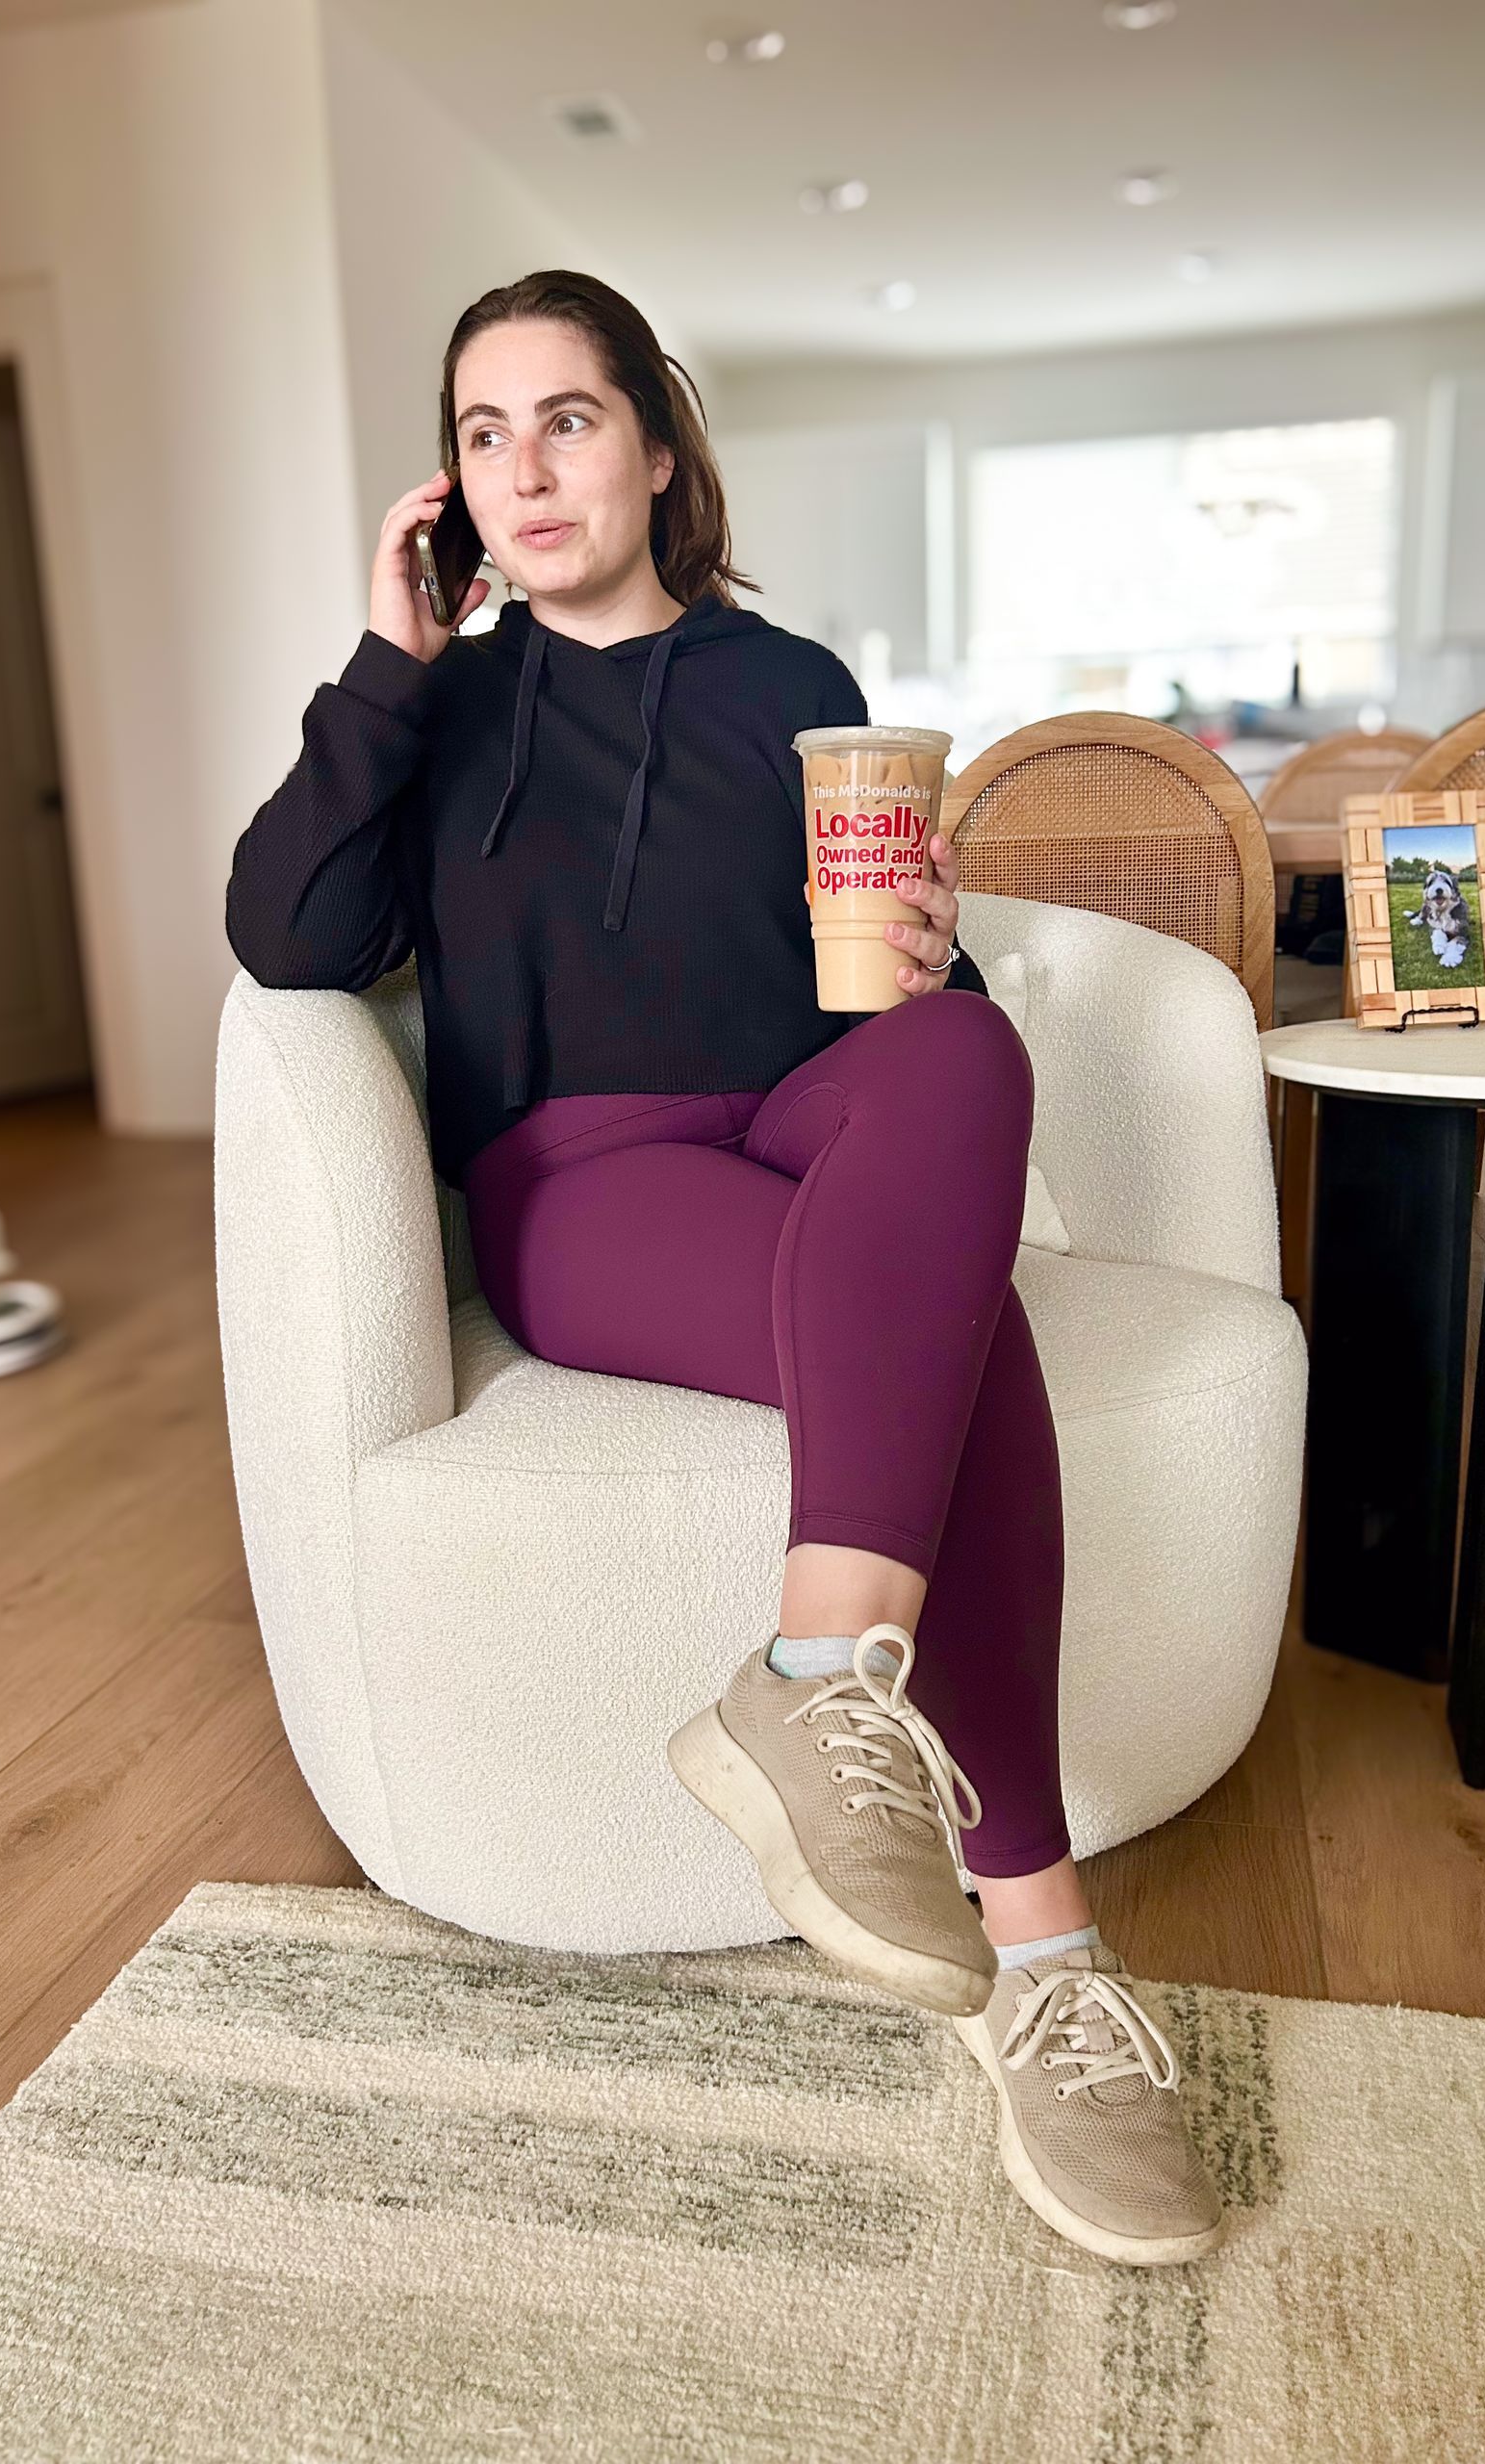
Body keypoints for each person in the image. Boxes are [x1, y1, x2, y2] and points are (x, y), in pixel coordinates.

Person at [225, 269, 1223, 2268]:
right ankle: (1044, 1949)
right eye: (483, 435)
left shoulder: (789, 686)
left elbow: (878, 1007)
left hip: (800, 1127)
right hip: (582, 1180)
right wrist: (385, 662)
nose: (525, 470)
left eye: (568, 420)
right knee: (968, 1341)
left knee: (967, 1050)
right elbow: (286, 932)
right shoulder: (440, 708)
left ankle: (813, 1674)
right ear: (448, 490)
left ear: (658, 450)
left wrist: (929, 949)